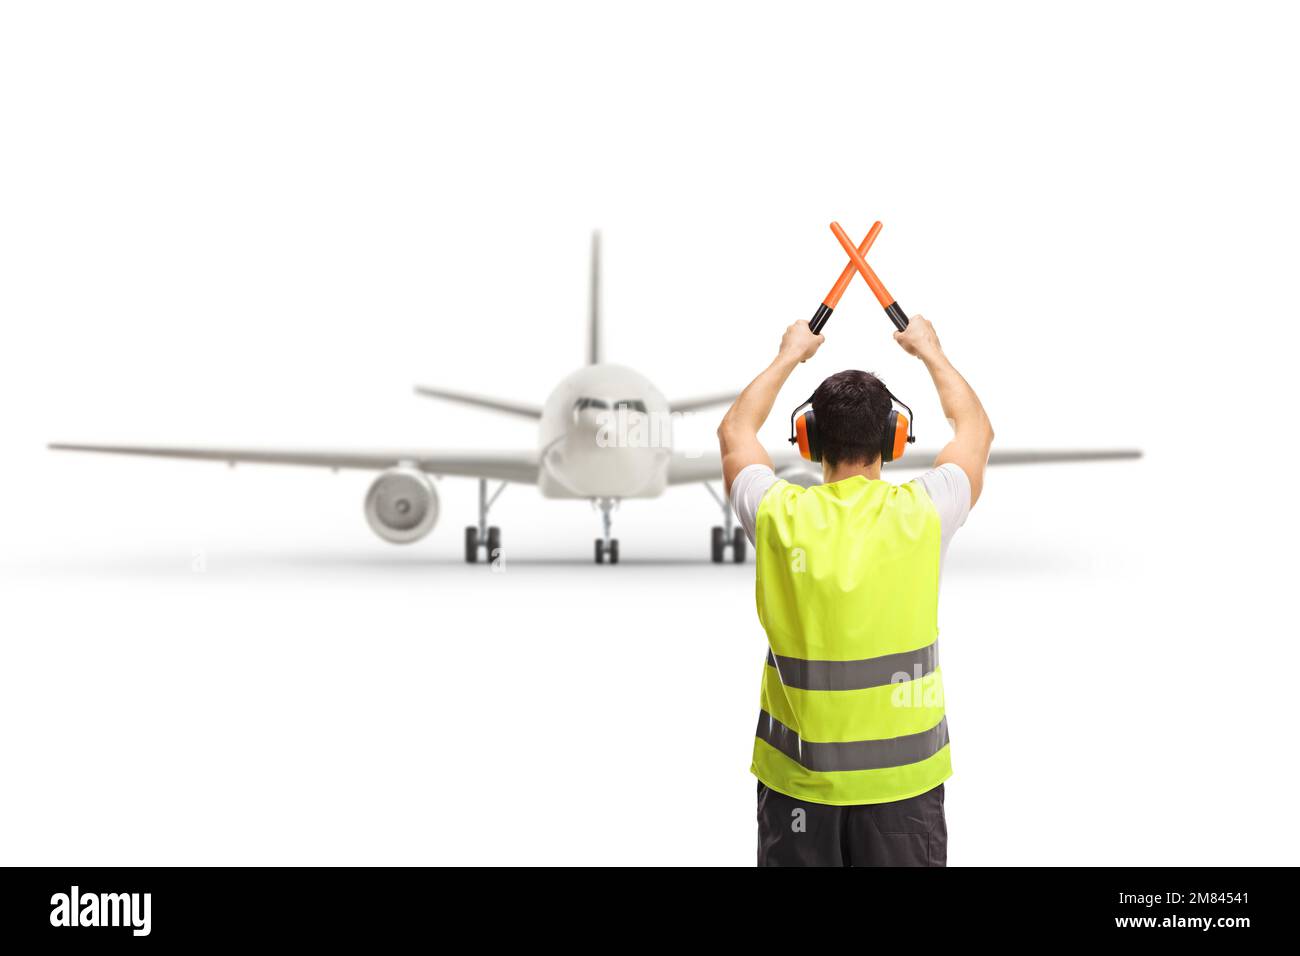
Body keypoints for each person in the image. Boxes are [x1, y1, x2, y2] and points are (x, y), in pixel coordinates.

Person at [717, 314, 993, 866]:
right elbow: (977, 432)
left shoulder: (777, 514)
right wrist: (930, 352)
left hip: (799, 787)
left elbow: (734, 433)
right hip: (904, 791)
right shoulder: (926, 511)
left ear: (807, 437)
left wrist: (789, 354)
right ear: (894, 438)